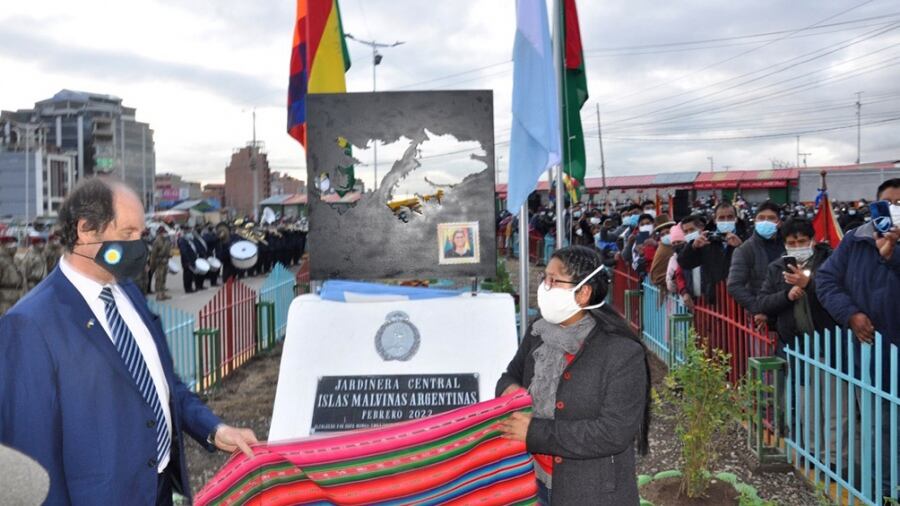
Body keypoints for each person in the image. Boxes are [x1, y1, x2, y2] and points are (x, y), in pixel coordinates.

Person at [0, 178, 258, 505]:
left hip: (161, 488)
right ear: (86, 230)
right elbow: (32, 461)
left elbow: (163, 384)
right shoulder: (29, 324)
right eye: (127, 234)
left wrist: (213, 429)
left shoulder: (128, 293)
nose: (139, 246)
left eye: (141, 235)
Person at [496, 246, 650, 505]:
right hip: (532, 480)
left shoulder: (622, 352)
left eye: (553, 281)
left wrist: (535, 432)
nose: (544, 287)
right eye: (544, 278)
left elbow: (612, 433)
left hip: (591, 492)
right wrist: (510, 390)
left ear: (583, 292)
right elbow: (510, 374)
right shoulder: (538, 331)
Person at [816, 178, 900, 500]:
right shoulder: (856, 240)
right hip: (874, 353)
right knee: (880, 426)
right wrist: (850, 314)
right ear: (874, 206)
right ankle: (882, 493)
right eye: (887, 203)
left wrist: (893, 256)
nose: (893, 210)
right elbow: (826, 280)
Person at [727, 201, 785, 328]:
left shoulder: (788, 244)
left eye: (771, 218)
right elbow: (734, 285)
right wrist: (759, 308)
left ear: (779, 222)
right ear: (755, 221)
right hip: (761, 319)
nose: (766, 221)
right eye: (761, 218)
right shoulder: (745, 249)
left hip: (787, 313)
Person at [677, 202, 744, 305]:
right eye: (721, 218)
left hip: (739, 299)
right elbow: (684, 263)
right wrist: (693, 246)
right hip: (714, 298)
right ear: (715, 220)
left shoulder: (745, 236)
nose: (726, 221)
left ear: (736, 219)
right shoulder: (706, 239)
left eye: (730, 217)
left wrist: (741, 246)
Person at [0, 236, 22, 316]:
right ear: (3, 245)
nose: (14, 246)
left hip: (16, 296)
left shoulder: (15, 260)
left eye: (14, 244)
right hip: (4, 299)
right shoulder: (1, 260)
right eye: (10, 244)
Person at [149, 228, 172, 301]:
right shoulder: (157, 241)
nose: (164, 234)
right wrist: (152, 265)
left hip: (165, 262)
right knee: (159, 279)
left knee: (163, 278)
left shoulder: (166, 240)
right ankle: (159, 295)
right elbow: (153, 254)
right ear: (160, 233)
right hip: (159, 263)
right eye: (163, 232)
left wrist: (169, 255)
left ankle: (163, 294)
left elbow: (167, 251)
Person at [176, 225, 198, 293]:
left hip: (191, 260)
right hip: (187, 261)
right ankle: (187, 289)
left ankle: (190, 287)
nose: (190, 232)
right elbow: (184, 251)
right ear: (185, 231)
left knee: (190, 274)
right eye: (188, 231)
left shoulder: (188, 239)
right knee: (187, 275)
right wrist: (187, 261)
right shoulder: (182, 240)